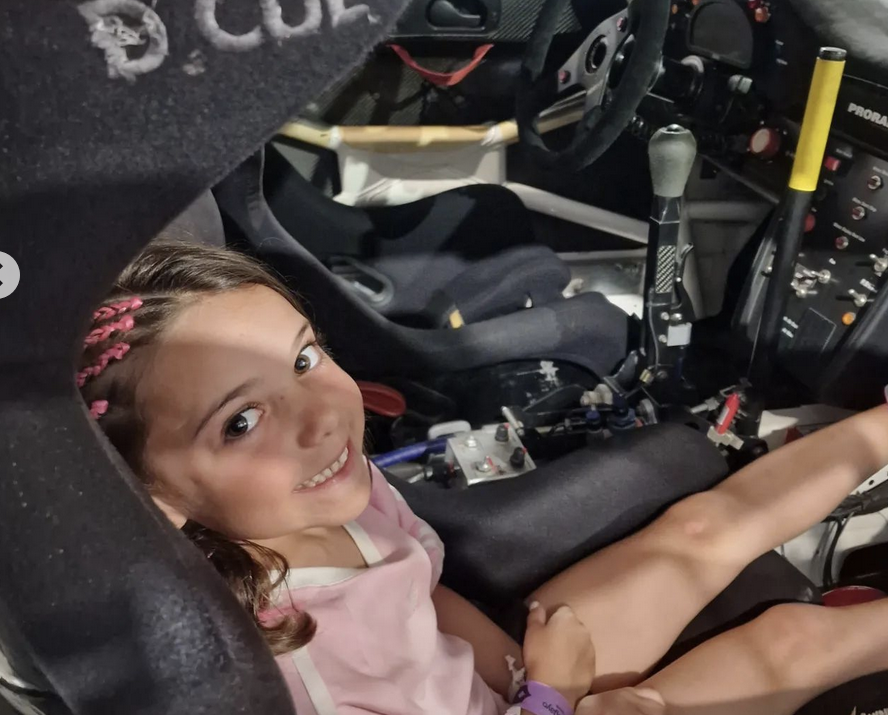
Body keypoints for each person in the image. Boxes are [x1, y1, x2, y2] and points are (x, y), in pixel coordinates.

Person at [77, 240, 888, 715]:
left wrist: (521, 673)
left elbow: (422, 589)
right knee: (787, 643)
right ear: (148, 493)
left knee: (698, 531)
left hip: (504, 687)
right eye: (241, 421)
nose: (323, 415)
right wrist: (555, 696)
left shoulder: (332, 492)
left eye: (304, 358)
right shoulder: (291, 669)